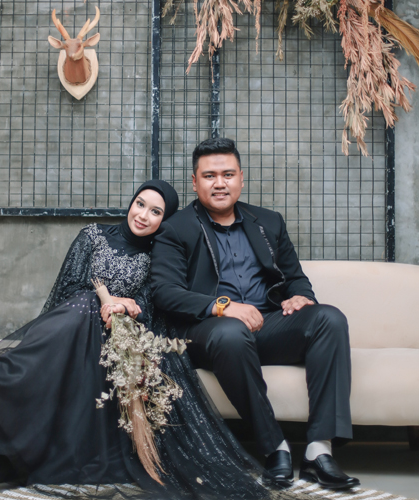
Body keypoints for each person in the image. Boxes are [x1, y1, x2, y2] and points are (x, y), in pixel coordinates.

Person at [0, 179, 288, 500]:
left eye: (156, 212)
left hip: (120, 338)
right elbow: (66, 290)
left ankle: (2, 378)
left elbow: (153, 310)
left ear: (164, 220)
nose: (143, 215)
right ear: (131, 203)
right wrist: (105, 300)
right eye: (140, 204)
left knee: (93, 307)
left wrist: (125, 308)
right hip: (77, 325)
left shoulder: (157, 256)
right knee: (85, 301)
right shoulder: (92, 236)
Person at [151, 137, 360, 490]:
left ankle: (318, 452)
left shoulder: (268, 222)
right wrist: (223, 306)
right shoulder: (176, 228)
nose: (220, 183)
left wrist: (301, 298)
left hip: (267, 325)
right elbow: (165, 292)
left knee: (330, 318)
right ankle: (274, 447)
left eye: (228, 174)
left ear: (241, 178)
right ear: (195, 182)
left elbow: (295, 278)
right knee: (231, 331)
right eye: (209, 176)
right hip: (210, 331)